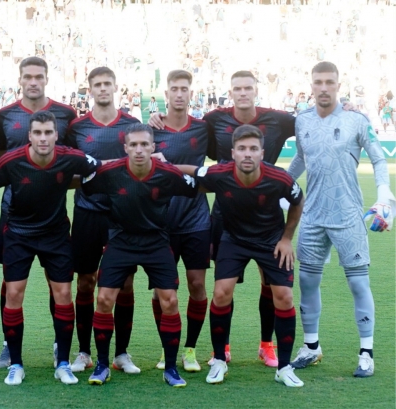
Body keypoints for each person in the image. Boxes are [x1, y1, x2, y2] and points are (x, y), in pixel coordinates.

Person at [151, 70, 296, 368]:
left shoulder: (278, 119)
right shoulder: (215, 120)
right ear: (229, 92)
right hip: (225, 214)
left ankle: (266, 344)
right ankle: (223, 348)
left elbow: (312, 120)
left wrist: (340, 106)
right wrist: (156, 118)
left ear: (256, 91)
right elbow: (196, 159)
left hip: (267, 216)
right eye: (237, 88)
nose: (243, 93)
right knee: (222, 286)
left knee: (271, 284)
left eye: (248, 88)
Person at [0, 111, 101, 385]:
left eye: (48, 133)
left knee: (64, 293)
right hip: (19, 234)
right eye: (37, 133)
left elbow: (104, 168)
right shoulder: (12, 160)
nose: (43, 138)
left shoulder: (70, 157)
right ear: (29, 136)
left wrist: (144, 160)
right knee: (13, 293)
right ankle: (16, 364)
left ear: (56, 135)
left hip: (55, 236)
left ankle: (63, 363)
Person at [288, 62, 394, 378]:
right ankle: (311, 346)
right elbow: (300, 159)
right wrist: (279, 186)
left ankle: (366, 352)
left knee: (358, 282)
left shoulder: (356, 120)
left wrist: (384, 194)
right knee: (307, 280)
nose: (323, 87)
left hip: (348, 215)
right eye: (318, 81)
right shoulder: (302, 121)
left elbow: (378, 157)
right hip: (312, 216)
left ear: (338, 84)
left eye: (329, 82)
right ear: (311, 84)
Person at [83, 123, 198, 388]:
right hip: (121, 240)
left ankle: (170, 368)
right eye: (133, 145)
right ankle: (102, 365)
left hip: (156, 242)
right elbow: (84, 183)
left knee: (169, 301)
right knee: (103, 299)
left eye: (144, 144)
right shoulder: (110, 172)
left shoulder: (168, 173)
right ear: (125, 148)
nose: (139, 150)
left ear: (153, 147)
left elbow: (196, 186)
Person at [193, 124, 305, 387]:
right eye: (242, 148)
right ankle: (219, 359)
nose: (247, 154)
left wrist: (287, 238)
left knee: (285, 296)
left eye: (253, 149)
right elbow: (191, 175)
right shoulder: (219, 174)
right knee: (221, 293)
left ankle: (285, 368)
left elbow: (298, 202)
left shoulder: (280, 178)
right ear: (233, 152)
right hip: (234, 240)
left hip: (271, 241)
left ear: (262, 153)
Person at [0, 57, 77, 369]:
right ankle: (10, 346)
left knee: (58, 281)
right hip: (14, 212)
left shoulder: (66, 114)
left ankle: (58, 343)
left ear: (47, 79)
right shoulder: (5, 115)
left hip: (53, 213)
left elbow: (74, 158)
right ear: (20, 80)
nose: (33, 81)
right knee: (9, 283)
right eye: (28, 77)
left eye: (39, 76)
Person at [65, 67, 140, 374]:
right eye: (97, 84)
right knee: (85, 282)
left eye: (108, 83)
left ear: (116, 87)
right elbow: (69, 168)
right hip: (87, 213)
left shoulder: (132, 125)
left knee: (124, 284)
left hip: (123, 216)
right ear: (90, 90)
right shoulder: (77, 128)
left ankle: (121, 353)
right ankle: (83, 352)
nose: (103, 89)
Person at [150, 70, 210, 373]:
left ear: (191, 94)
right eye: (174, 88)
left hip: (196, 219)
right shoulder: (152, 131)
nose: (179, 94)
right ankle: (167, 347)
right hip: (161, 221)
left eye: (184, 89)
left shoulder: (203, 129)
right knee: (163, 290)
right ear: (166, 94)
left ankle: (190, 349)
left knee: (197, 284)